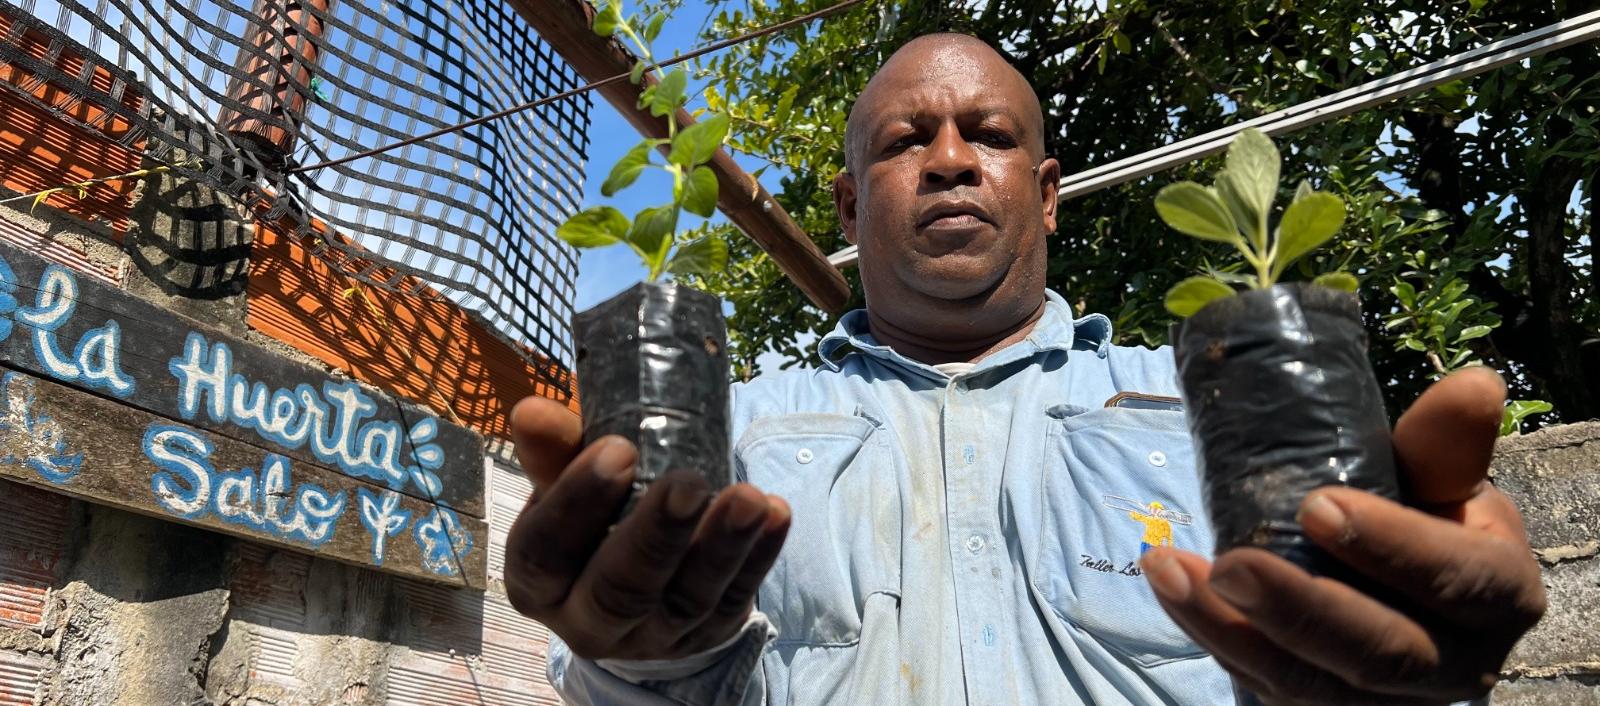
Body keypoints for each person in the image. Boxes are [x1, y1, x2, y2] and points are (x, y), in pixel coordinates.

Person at [504, 33, 1546, 705]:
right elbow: (632, 669)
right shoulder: (742, 427)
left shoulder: (1207, 408)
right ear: (848, 208)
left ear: (1045, 193)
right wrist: (635, 661)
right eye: (907, 140)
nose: (950, 156)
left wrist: (1413, 630)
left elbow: (1349, 634)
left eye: (987, 135)